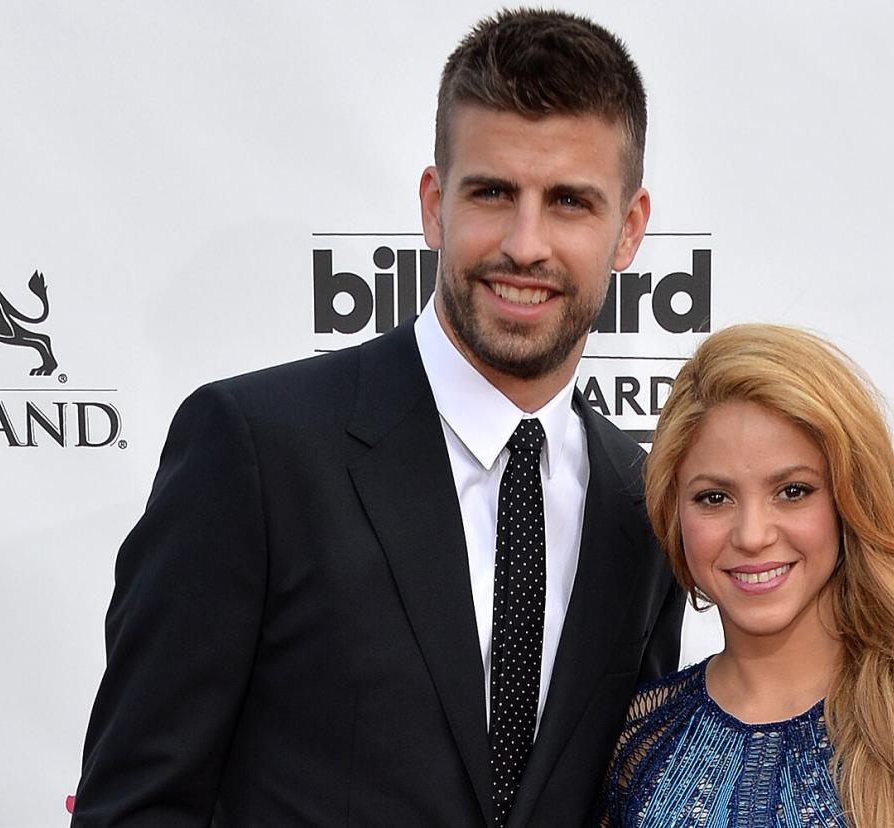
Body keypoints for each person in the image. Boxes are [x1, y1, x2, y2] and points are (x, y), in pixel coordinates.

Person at [72, 10, 684, 827]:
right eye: (492, 192)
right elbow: (135, 805)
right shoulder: (257, 450)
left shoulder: (645, 506)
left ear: (628, 229)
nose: (526, 244)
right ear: (435, 205)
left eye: (570, 201)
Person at [601, 324, 894, 827]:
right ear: (673, 511)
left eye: (792, 491)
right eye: (714, 497)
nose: (752, 535)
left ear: (848, 500)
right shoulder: (639, 743)